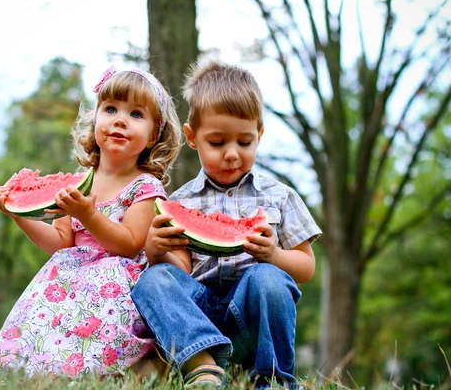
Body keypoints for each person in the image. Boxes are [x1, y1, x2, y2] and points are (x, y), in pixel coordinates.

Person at [0, 65, 182, 378]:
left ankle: (100, 369)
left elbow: (130, 243)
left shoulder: (145, 187)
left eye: (136, 114)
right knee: (40, 318)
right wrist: (17, 213)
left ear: (154, 136)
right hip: (66, 279)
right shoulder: (81, 182)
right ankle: (36, 368)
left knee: (94, 333)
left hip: (114, 285)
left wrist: (88, 215)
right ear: (96, 119)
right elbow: (60, 241)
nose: (120, 119)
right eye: (110, 109)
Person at [131, 60, 321, 389]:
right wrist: (156, 249)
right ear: (192, 137)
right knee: (152, 279)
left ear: (259, 134)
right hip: (197, 317)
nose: (232, 154)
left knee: (269, 279)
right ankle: (203, 364)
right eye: (217, 143)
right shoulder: (178, 201)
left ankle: (273, 379)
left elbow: (305, 268)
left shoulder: (280, 196)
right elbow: (182, 271)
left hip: (252, 320)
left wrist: (274, 256)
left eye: (245, 143)